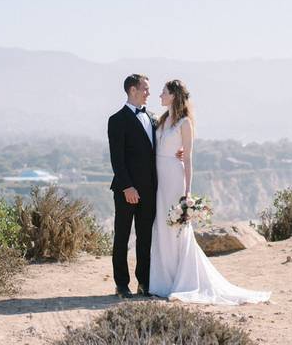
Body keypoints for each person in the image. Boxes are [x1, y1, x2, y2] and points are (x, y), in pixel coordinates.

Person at [148, 79, 271, 305]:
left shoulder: (185, 123)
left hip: (174, 179)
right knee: (161, 229)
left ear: (173, 95)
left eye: (163, 92)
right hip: (159, 179)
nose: (159, 96)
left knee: (176, 229)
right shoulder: (163, 119)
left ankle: (182, 281)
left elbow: (187, 158)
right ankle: (163, 281)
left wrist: (187, 192)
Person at [107, 73, 158, 298]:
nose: (149, 92)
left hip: (149, 190)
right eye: (145, 88)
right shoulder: (116, 120)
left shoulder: (154, 119)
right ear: (132, 90)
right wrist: (128, 187)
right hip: (126, 190)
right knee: (122, 237)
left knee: (145, 238)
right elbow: (117, 159)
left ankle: (144, 283)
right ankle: (121, 284)